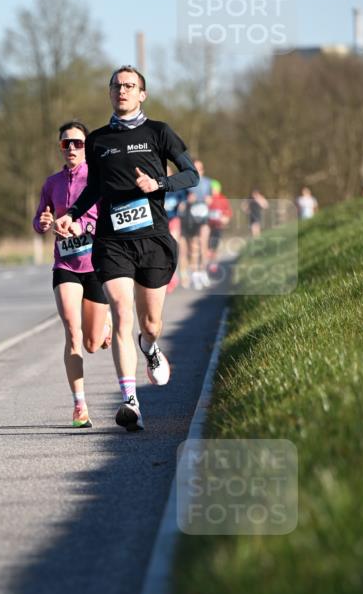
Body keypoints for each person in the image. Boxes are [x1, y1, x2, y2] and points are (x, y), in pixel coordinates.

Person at [54, 66, 199, 433]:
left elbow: (191, 174)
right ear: (110, 92)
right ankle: (130, 401)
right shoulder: (98, 141)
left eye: (130, 86)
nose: (123, 90)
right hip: (112, 241)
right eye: (117, 86)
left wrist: (159, 183)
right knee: (120, 312)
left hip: (153, 239)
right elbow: (94, 189)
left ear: (142, 94)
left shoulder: (159, 132)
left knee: (150, 323)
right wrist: (71, 213)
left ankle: (149, 347)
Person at [33, 121, 112, 429]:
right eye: (66, 143)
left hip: (96, 266)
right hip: (65, 265)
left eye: (78, 143)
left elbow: (109, 219)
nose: (72, 148)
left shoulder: (98, 178)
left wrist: (83, 227)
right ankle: (79, 405)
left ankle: (105, 324)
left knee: (92, 343)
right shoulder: (52, 183)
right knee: (72, 331)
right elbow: (39, 220)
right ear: (60, 148)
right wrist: (43, 222)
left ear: (87, 147)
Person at [206, 179, 232, 275]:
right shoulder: (207, 199)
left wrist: (225, 219)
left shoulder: (222, 199)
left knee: (215, 246)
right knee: (207, 246)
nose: (212, 191)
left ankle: (214, 264)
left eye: (213, 189)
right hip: (208, 226)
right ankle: (207, 264)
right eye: (210, 189)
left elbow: (228, 213)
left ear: (218, 189)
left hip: (218, 226)